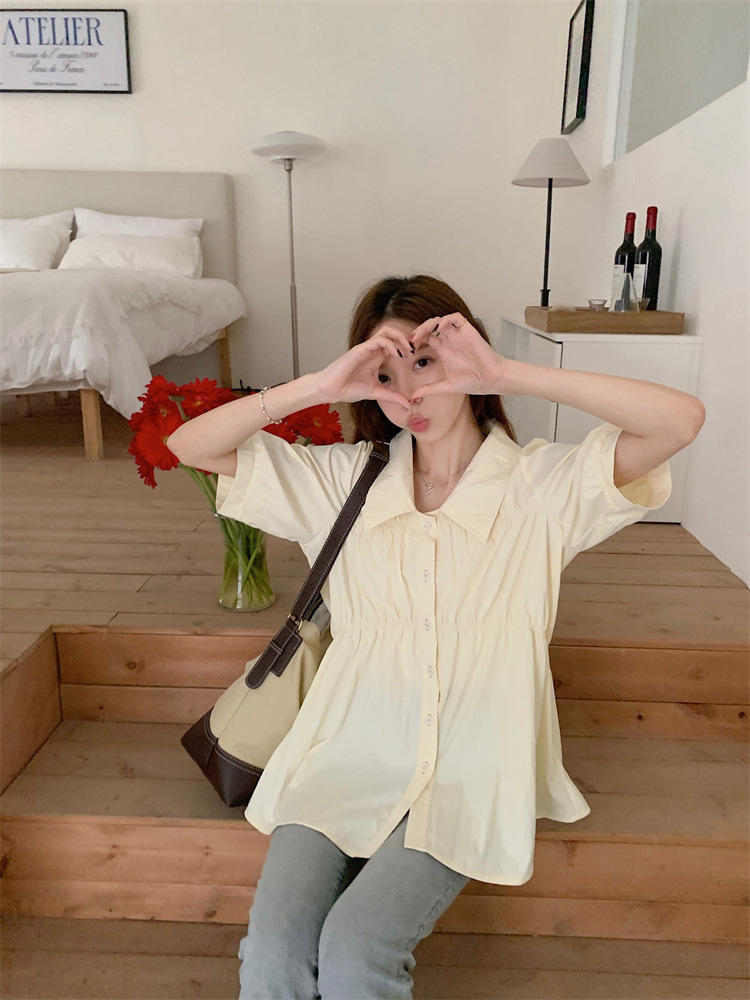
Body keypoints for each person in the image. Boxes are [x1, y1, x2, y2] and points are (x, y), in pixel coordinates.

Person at [166, 274, 702, 1000]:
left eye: (425, 363)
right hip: (343, 757)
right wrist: (317, 386)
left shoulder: (540, 489)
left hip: (470, 772)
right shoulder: (343, 483)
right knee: (273, 956)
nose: (410, 393)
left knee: (357, 953)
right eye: (385, 375)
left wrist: (505, 373)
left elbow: (680, 419)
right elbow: (189, 445)